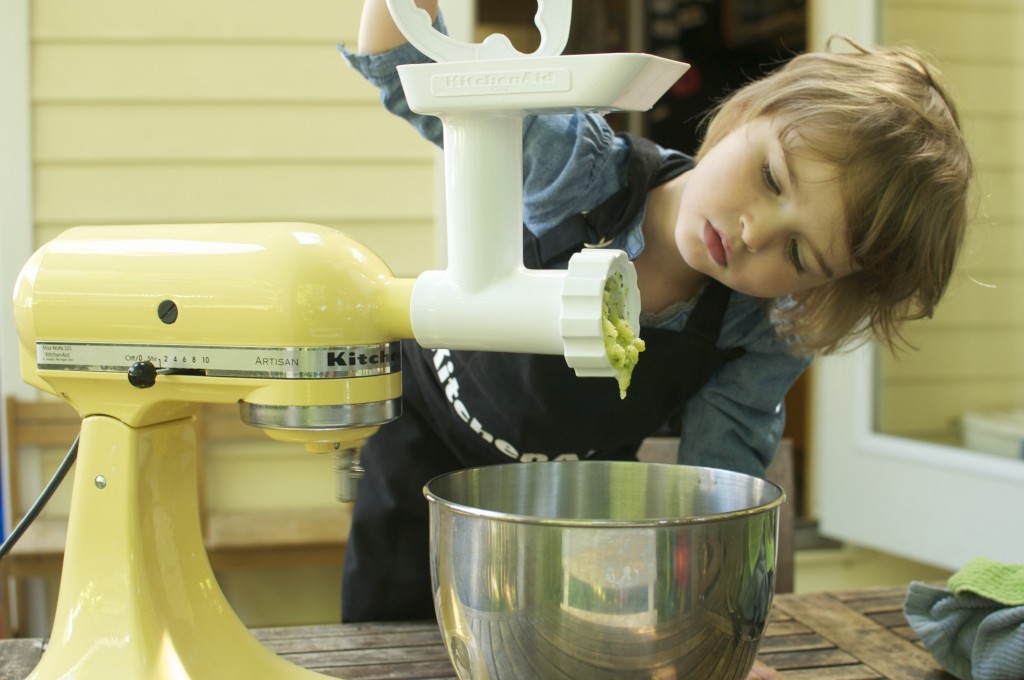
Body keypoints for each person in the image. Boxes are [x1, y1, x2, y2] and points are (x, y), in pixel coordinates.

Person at [339, 2, 971, 677]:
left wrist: (709, 639)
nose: (756, 231)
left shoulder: (759, 330)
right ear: (747, 113)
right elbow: (408, 79)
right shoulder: (578, 172)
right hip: (422, 456)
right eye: (770, 177)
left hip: (568, 512)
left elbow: (718, 489)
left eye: (798, 253)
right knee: (387, 652)